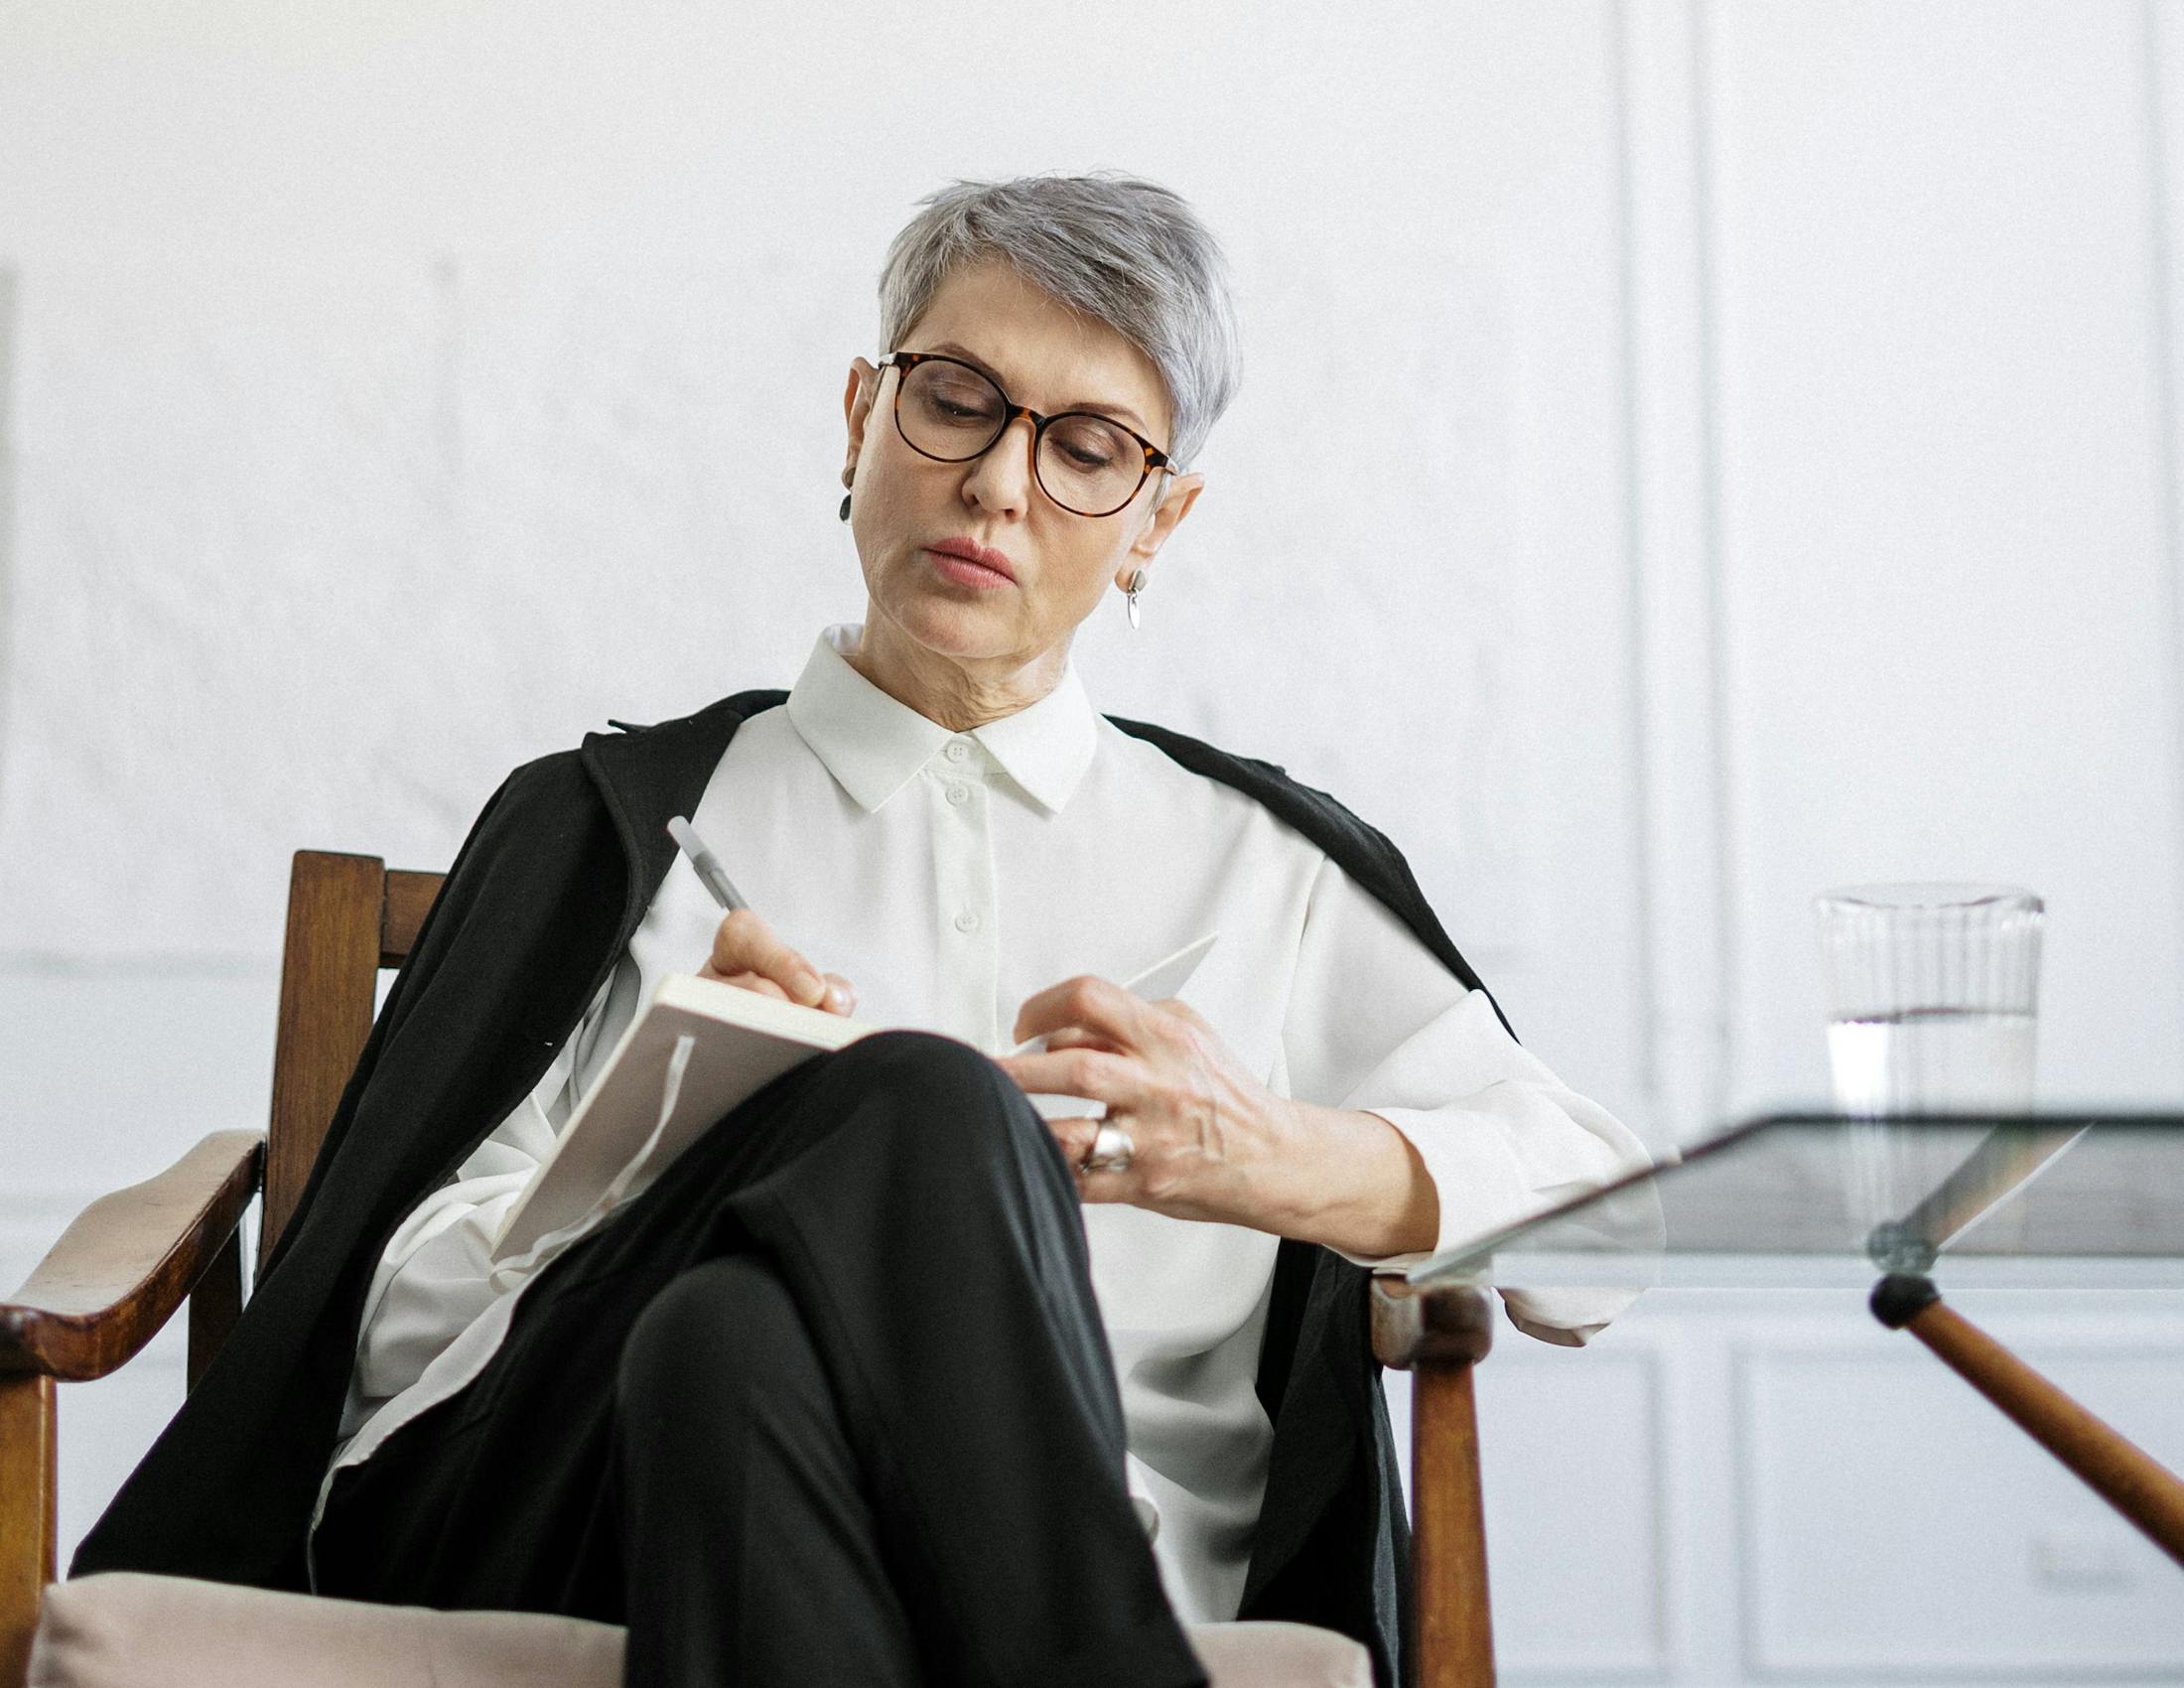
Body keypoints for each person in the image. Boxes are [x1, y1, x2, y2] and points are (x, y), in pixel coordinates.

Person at [73, 173, 1649, 1688]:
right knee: (915, 1105)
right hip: (548, 1504)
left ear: (1159, 519)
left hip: (906, 1505)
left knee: (734, 1348)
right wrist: (660, 1149)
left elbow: (1613, 1239)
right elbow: (389, 1331)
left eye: (1088, 445)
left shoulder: (1265, 868)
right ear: (861, 416)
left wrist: (1276, 1157)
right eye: (957, 398)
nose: (999, 482)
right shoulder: (616, 830)